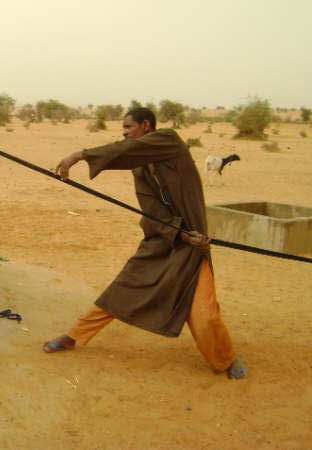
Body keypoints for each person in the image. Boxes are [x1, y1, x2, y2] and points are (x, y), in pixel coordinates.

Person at [44, 108, 246, 380]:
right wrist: (176, 231)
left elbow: (127, 148)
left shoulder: (169, 141)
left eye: (128, 127)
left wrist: (78, 156)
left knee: (204, 316)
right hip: (162, 240)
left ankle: (225, 358)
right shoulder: (140, 169)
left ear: (146, 126)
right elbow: (150, 208)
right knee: (122, 289)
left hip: (193, 248)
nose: (124, 132)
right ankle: (73, 336)